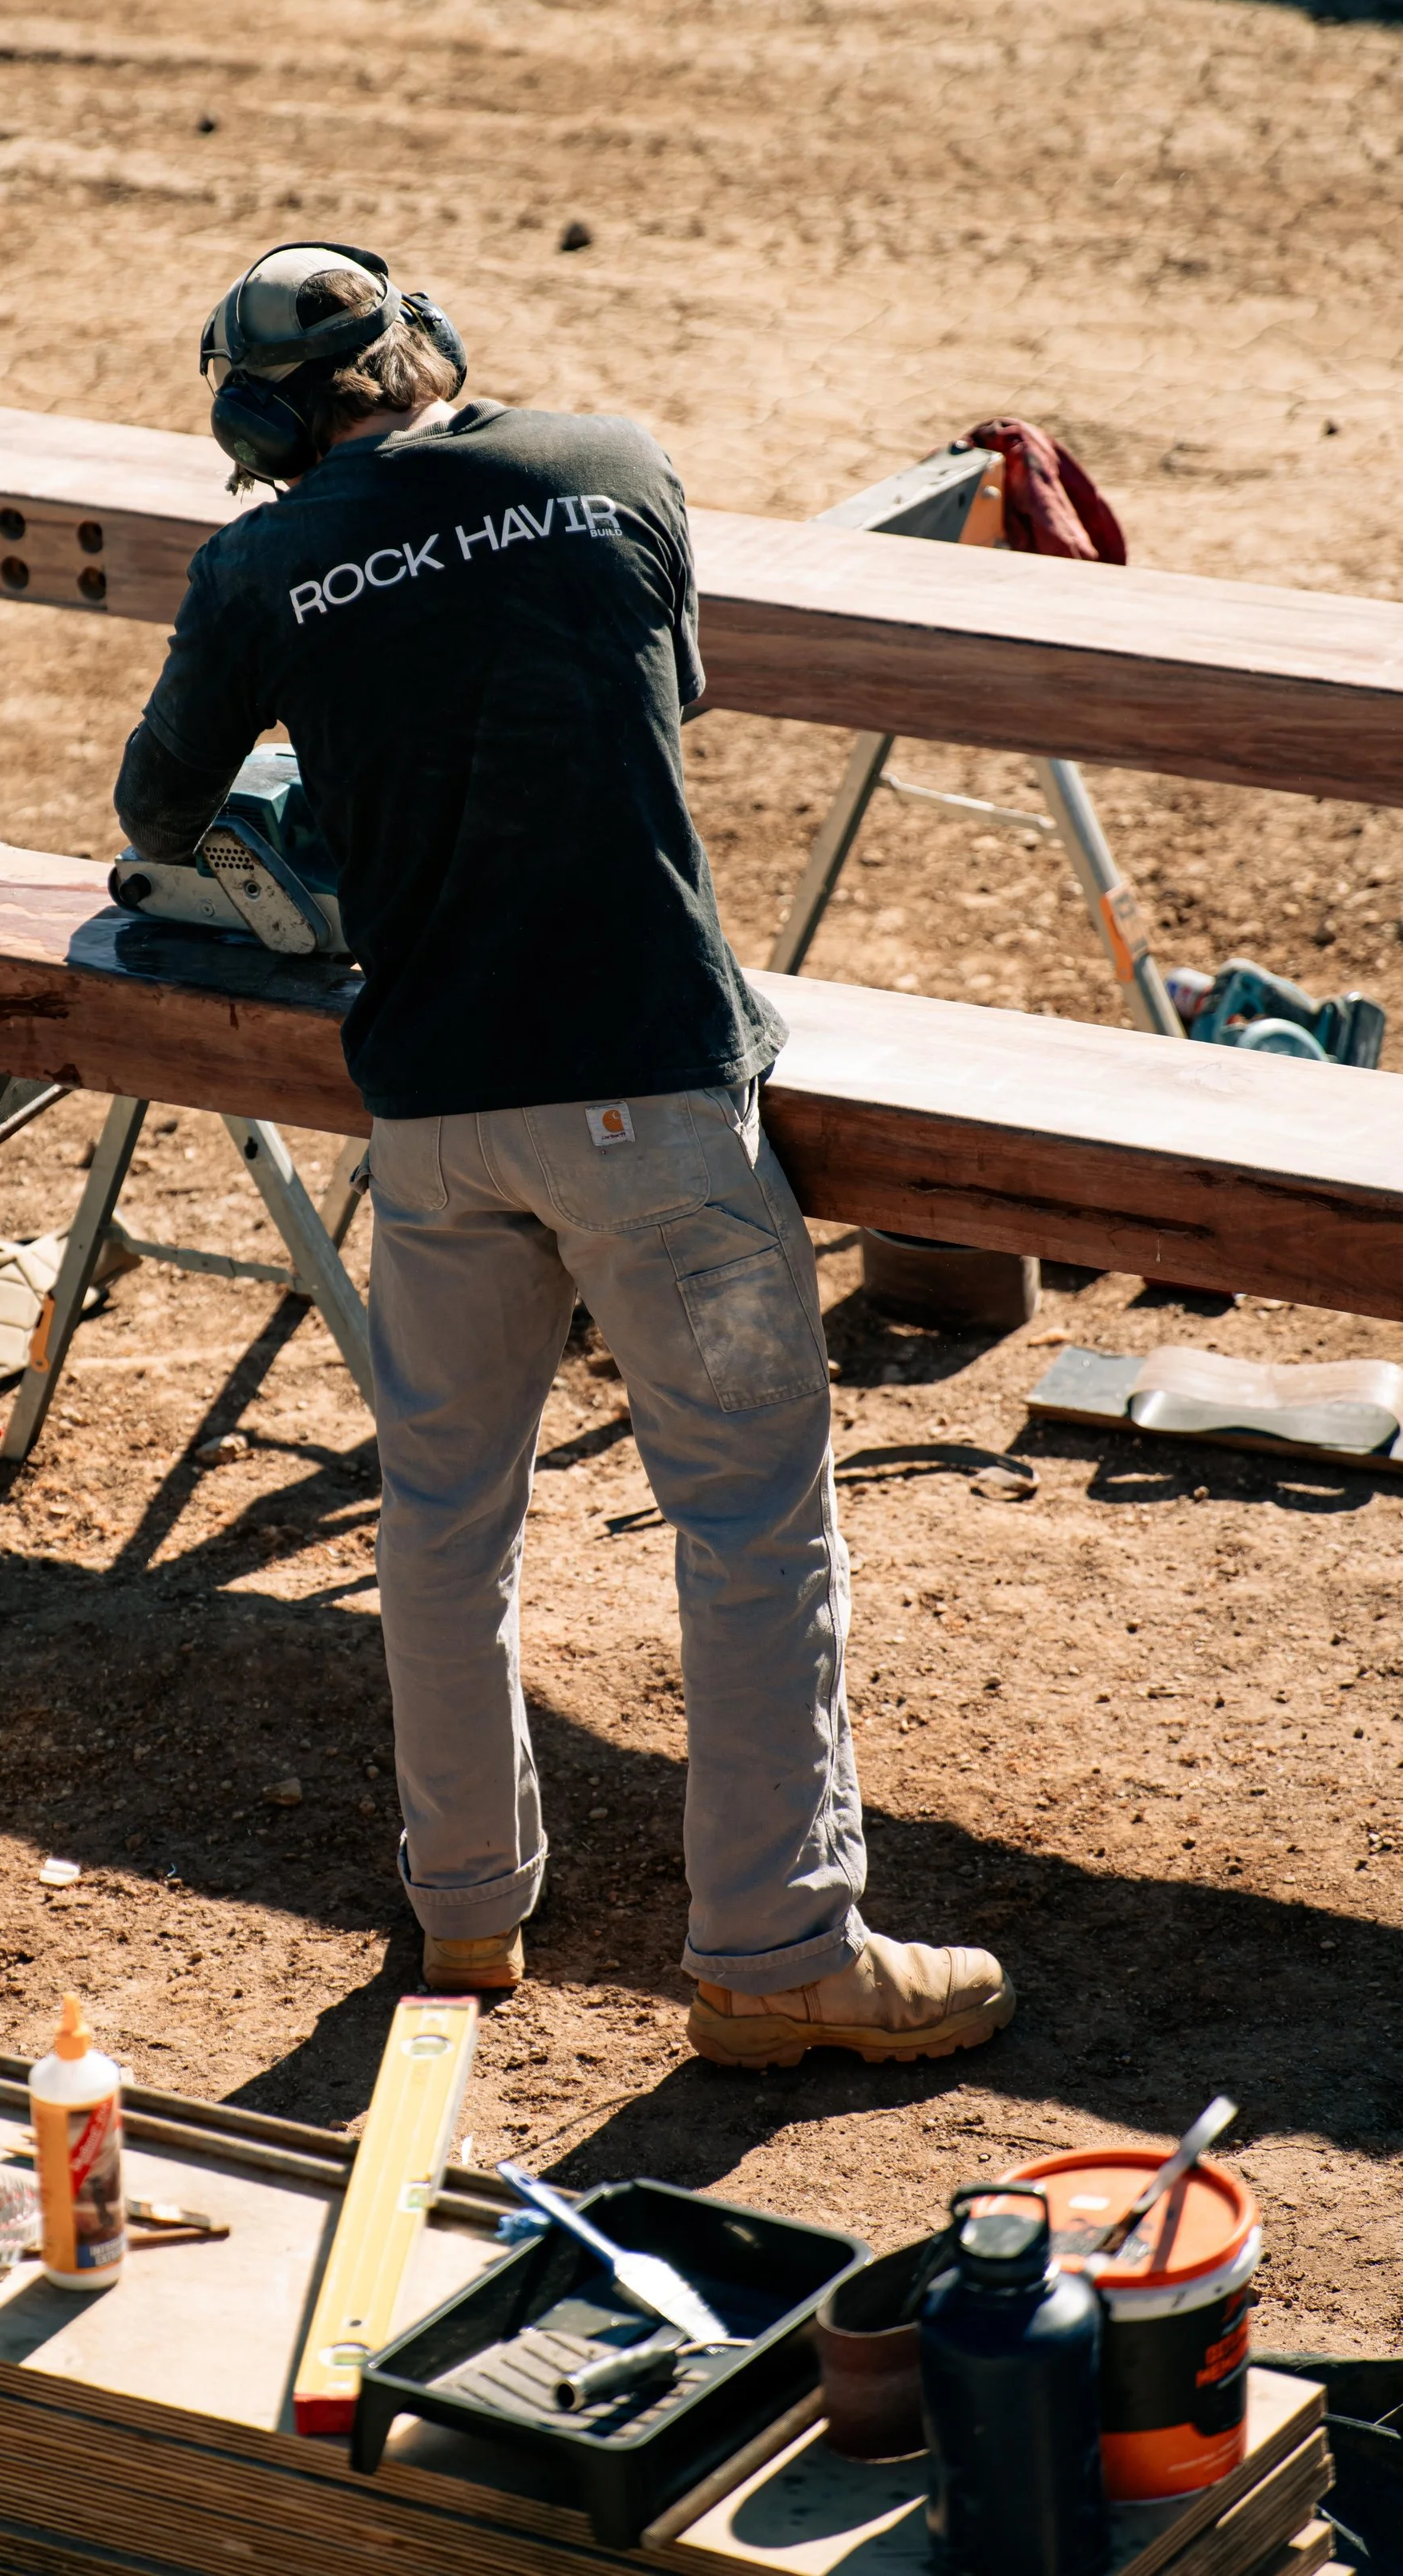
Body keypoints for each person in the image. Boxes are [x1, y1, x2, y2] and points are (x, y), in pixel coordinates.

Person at [112, 240, 1013, 2069]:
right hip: (654, 1097)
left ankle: (463, 1916)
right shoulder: (609, 460)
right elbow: (657, 690)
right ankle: (772, 1951)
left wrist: (336, 747)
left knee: (442, 1522)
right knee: (747, 1526)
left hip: (438, 1110)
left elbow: (156, 811)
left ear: (255, 421)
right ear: (424, 341)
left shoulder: (257, 560)